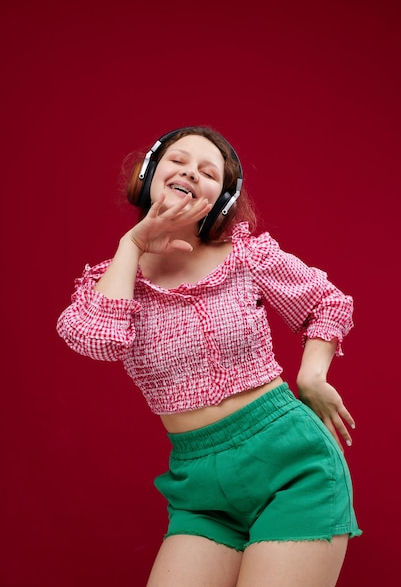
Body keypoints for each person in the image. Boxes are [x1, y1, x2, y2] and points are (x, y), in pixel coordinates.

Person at [56, 125, 362, 587]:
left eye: (208, 172)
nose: (191, 173)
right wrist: (133, 245)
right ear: (150, 172)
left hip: (292, 465)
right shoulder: (112, 278)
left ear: (221, 197)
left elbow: (328, 302)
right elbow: (98, 340)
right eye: (178, 161)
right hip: (199, 485)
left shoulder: (245, 256)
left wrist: (312, 376)